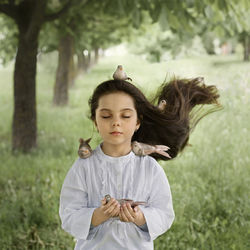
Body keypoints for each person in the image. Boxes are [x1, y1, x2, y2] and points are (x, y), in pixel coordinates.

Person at [59, 77, 221, 249]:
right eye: (106, 116)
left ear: (137, 122)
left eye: (126, 116)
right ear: (95, 122)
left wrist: (139, 217)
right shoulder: (83, 167)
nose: (116, 122)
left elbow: (164, 214)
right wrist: (99, 215)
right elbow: (68, 215)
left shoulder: (150, 168)